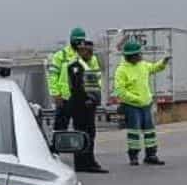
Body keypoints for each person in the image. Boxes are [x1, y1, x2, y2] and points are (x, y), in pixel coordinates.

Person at [114, 38, 172, 165]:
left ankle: (151, 155)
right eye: (138, 54)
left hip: (146, 105)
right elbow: (119, 91)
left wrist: (163, 62)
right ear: (131, 56)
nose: (141, 56)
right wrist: (136, 99)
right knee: (134, 132)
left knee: (149, 131)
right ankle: (133, 156)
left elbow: (154, 68)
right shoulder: (121, 70)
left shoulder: (143, 65)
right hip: (131, 106)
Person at [61, 34, 109, 173]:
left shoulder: (87, 64)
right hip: (81, 105)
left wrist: (94, 99)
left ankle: (87, 161)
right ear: (81, 51)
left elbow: (91, 84)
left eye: (91, 51)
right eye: (87, 51)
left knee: (89, 134)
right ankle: (85, 163)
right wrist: (87, 100)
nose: (90, 54)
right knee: (84, 134)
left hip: (88, 104)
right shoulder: (76, 66)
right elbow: (77, 87)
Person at [45, 27, 87, 135]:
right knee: (60, 128)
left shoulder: (86, 56)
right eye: (77, 41)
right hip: (64, 99)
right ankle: (56, 150)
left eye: (82, 41)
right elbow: (53, 76)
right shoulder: (60, 56)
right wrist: (55, 94)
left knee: (80, 128)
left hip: (80, 98)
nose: (79, 43)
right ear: (71, 40)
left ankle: (79, 151)